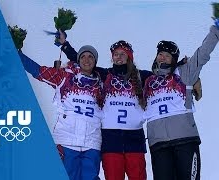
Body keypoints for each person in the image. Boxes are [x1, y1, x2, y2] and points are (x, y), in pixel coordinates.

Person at [58, 33, 151, 179]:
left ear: (129, 56)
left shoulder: (142, 76)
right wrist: (65, 45)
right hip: (110, 140)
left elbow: (164, 74)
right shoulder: (105, 74)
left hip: (134, 139)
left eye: (122, 54)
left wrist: (182, 66)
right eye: (115, 54)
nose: (118, 57)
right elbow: (83, 61)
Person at [143, 21, 219, 179]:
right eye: (160, 53)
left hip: (185, 140)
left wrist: (216, 30)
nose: (163, 57)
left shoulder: (184, 73)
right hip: (158, 144)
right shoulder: (145, 80)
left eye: (168, 55)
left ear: (174, 59)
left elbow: (202, 53)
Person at [18, 45, 102, 180]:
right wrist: (17, 54)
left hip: (91, 142)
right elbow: (38, 71)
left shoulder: (102, 83)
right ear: (78, 60)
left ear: (95, 61)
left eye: (91, 57)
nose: (87, 60)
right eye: (83, 57)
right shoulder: (65, 77)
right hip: (66, 139)